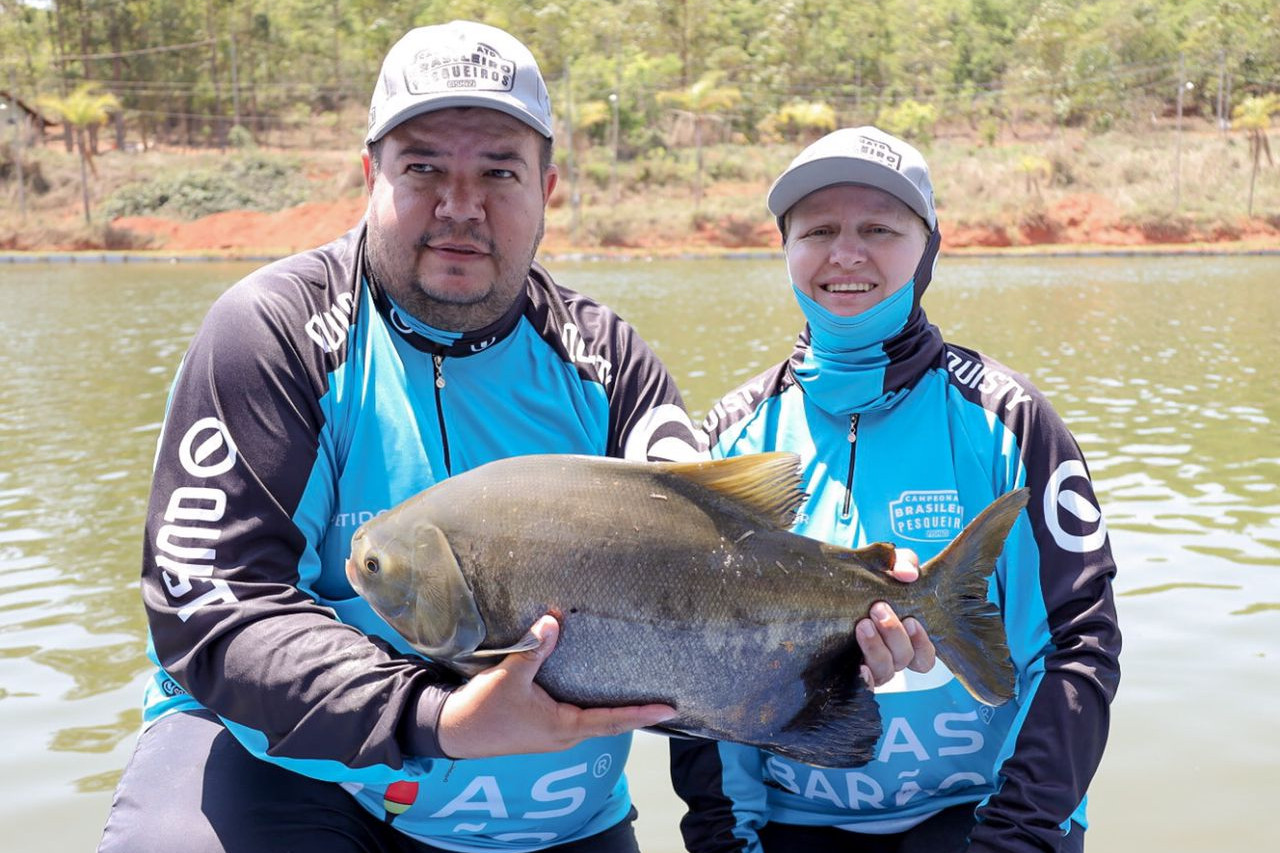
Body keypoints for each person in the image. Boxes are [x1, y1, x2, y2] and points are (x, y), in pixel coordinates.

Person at [96, 22, 926, 853]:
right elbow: (213, 604)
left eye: (499, 170)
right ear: (369, 174)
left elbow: (709, 564)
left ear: (547, 188)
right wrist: (439, 716)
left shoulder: (609, 361)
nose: (461, 204)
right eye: (423, 167)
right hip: (298, 785)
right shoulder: (273, 335)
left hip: (551, 816)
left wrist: (833, 639)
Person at [669, 126, 1122, 853]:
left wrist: (1014, 836)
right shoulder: (728, 438)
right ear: (786, 250)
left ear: (929, 247)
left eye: (879, 227)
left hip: (984, 814)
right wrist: (730, 842)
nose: (846, 253)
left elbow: (1078, 645)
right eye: (818, 229)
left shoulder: (1011, 422)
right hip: (796, 823)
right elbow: (700, 674)